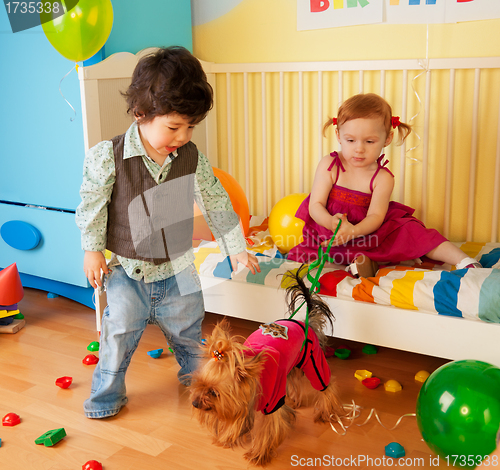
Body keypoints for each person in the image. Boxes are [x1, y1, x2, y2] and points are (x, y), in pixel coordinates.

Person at [76, 46, 260, 419]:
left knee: (191, 338)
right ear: (141, 113)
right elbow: (91, 207)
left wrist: (236, 247)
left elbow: (216, 201)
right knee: (117, 338)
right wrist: (92, 250)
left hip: (178, 271)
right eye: (174, 126)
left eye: (190, 127)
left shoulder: (191, 157)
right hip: (128, 273)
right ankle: (105, 399)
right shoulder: (106, 156)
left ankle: (203, 390)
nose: (182, 136)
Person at [287, 93, 481, 277]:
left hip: (368, 234)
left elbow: (375, 217)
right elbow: (315, 205)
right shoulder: (330, 165)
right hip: (331, 234)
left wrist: (353, 231)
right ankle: (357, 265)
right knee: (306, 259)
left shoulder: (382, 177)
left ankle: (466, 262)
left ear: (387, 139)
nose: (359, 149)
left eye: (369, 141)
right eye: (350, 140)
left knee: (414, 232)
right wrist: (332, 223)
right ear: (338, 135)